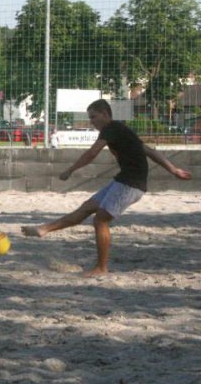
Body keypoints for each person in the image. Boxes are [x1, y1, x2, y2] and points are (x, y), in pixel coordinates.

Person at [21, 99, 192, 276]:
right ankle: (44, 229)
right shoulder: (120, 130)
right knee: (88, 207)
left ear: (105, 114)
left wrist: (70, 170)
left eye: (94, 117)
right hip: (124, 180)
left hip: (131, 184)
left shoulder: (111, 129)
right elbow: (149, 151)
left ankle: (101, 268)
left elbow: (92, 153)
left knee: (100, 220)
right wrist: (174, 170)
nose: (92, 122)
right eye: (90, 118)